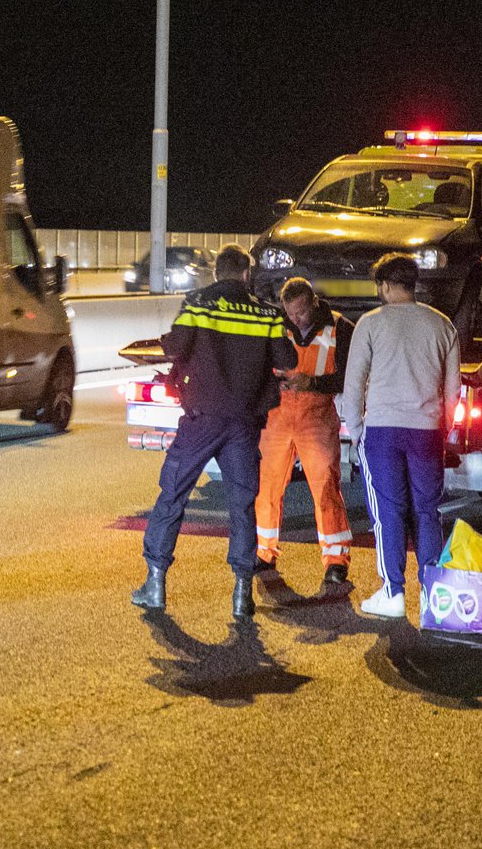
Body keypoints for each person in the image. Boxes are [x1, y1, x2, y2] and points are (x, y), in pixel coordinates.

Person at [133, 244, 297, 617]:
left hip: (202, 419)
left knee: (173, 494)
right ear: (244, 275)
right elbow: (286, 360)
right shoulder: (265, 313)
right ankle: (242, 593)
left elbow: (176, 346)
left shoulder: (198, 303)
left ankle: (155, 584)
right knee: (242, 505)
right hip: (243, 423)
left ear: (217, 273)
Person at [340, 253, 460, 620]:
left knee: (388, 512)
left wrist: (356, 431)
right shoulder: (442, 325)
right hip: (426, 431)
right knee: (428, 511)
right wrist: (444, 425)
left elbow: (354, 381)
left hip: (382, 431)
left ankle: (392, 592)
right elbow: (453, 388)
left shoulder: (371, 324)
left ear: (386, 286)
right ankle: (431, 595)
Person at [253, 278, 355, 598]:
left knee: (325, 487)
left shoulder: (340, 328)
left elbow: (348, 377)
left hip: (317, 418)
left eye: (299, 313)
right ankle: (263, 551)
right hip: (277, 418)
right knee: (266, 486)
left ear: (313, 302)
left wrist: (310, 383)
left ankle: (336, 559)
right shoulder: (275, 325)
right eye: (290, 314)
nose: (294, 320)